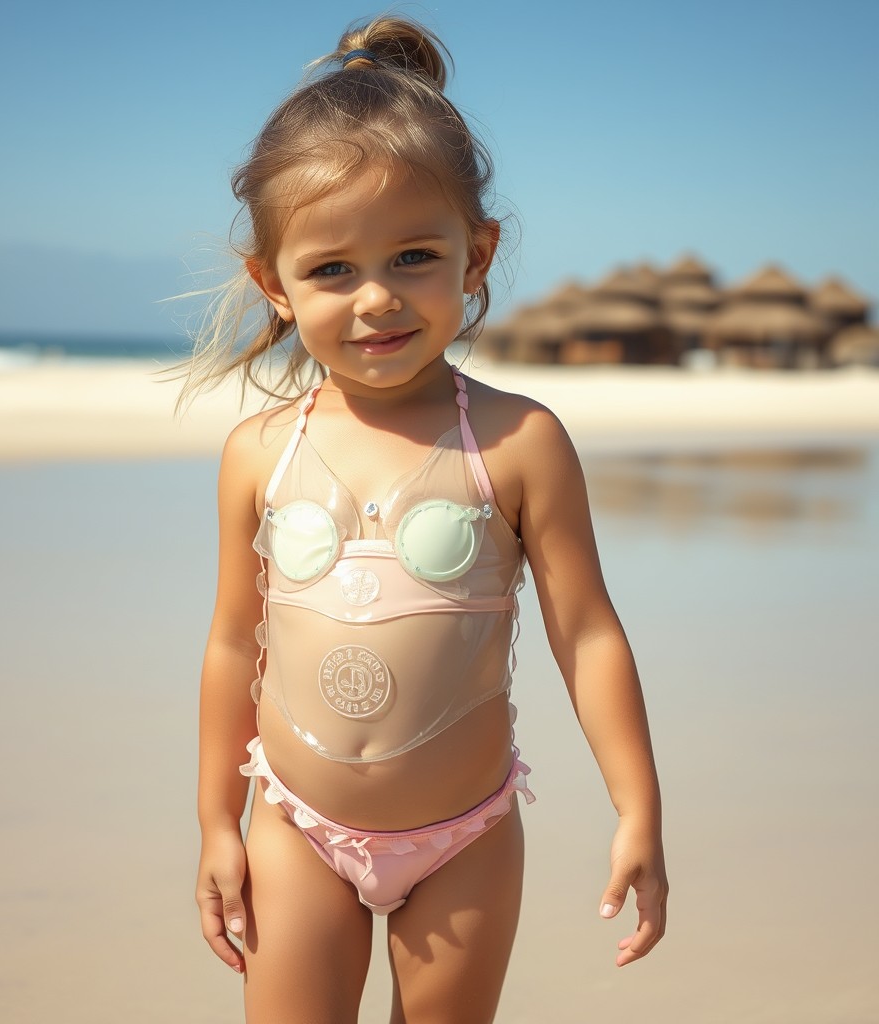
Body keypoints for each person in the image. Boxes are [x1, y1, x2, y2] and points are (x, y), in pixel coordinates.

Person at [185, 15, 667, 1023]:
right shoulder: (258, 453)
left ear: (475, 255)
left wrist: (637, 805)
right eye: (330, 270)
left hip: (465, 835)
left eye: (412, 256)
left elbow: (586, 631)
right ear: (273, 283)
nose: (375, 299)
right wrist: (217, 822)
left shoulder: (517, 440)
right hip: (293, 822)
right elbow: (235, 642)